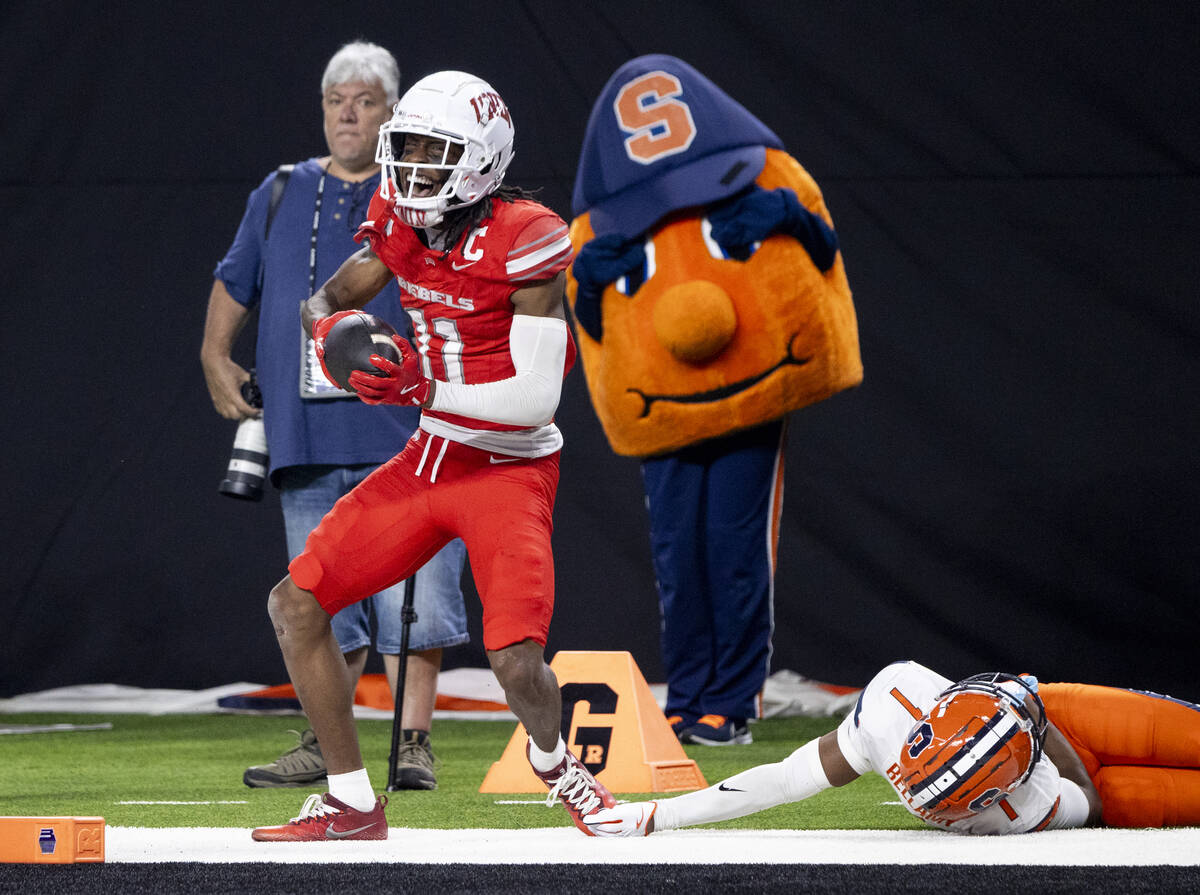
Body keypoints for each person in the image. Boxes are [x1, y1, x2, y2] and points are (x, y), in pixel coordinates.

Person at [250, 69, 616, 842]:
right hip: (435, 456)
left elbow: (531, 402)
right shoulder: (401, 216)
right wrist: (324, 328)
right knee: (296, 604)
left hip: (510, 467)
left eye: (432, 151)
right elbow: (329, 297)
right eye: (405, 148)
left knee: (517, 662)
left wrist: (422, 385)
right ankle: (352, 803)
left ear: (483, 159)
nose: (411, 169)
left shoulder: (528, 233)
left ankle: (556, 763)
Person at [566, 55, 862, 747]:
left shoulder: (760, 182)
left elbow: (823, 246)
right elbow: (593, 315)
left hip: (743, 398)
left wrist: (788, 214)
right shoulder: (617, 217)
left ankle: (732, 699)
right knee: (677, 555)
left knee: (734, 546)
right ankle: (691, 690)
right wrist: (586, 286)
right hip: (667, 405)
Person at [200, 41, 468, 791]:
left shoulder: (417, 194)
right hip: (306, 432)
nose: (347, 113)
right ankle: (327, 742)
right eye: (335, 100)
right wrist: (215, 354)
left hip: (404, 431)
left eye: (365, 101)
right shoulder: (281, 190)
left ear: (391, 115)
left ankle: (412, 743)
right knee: (322, 594)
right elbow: (235, 277)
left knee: (419, 595)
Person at [582, 659, 1200, 836]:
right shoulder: (1006, 812)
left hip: (1055, 713)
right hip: (1073, 781)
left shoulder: (893, 704)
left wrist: (658, 813)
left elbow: (788, 777)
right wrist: (1032, 731)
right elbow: (1087, 799)